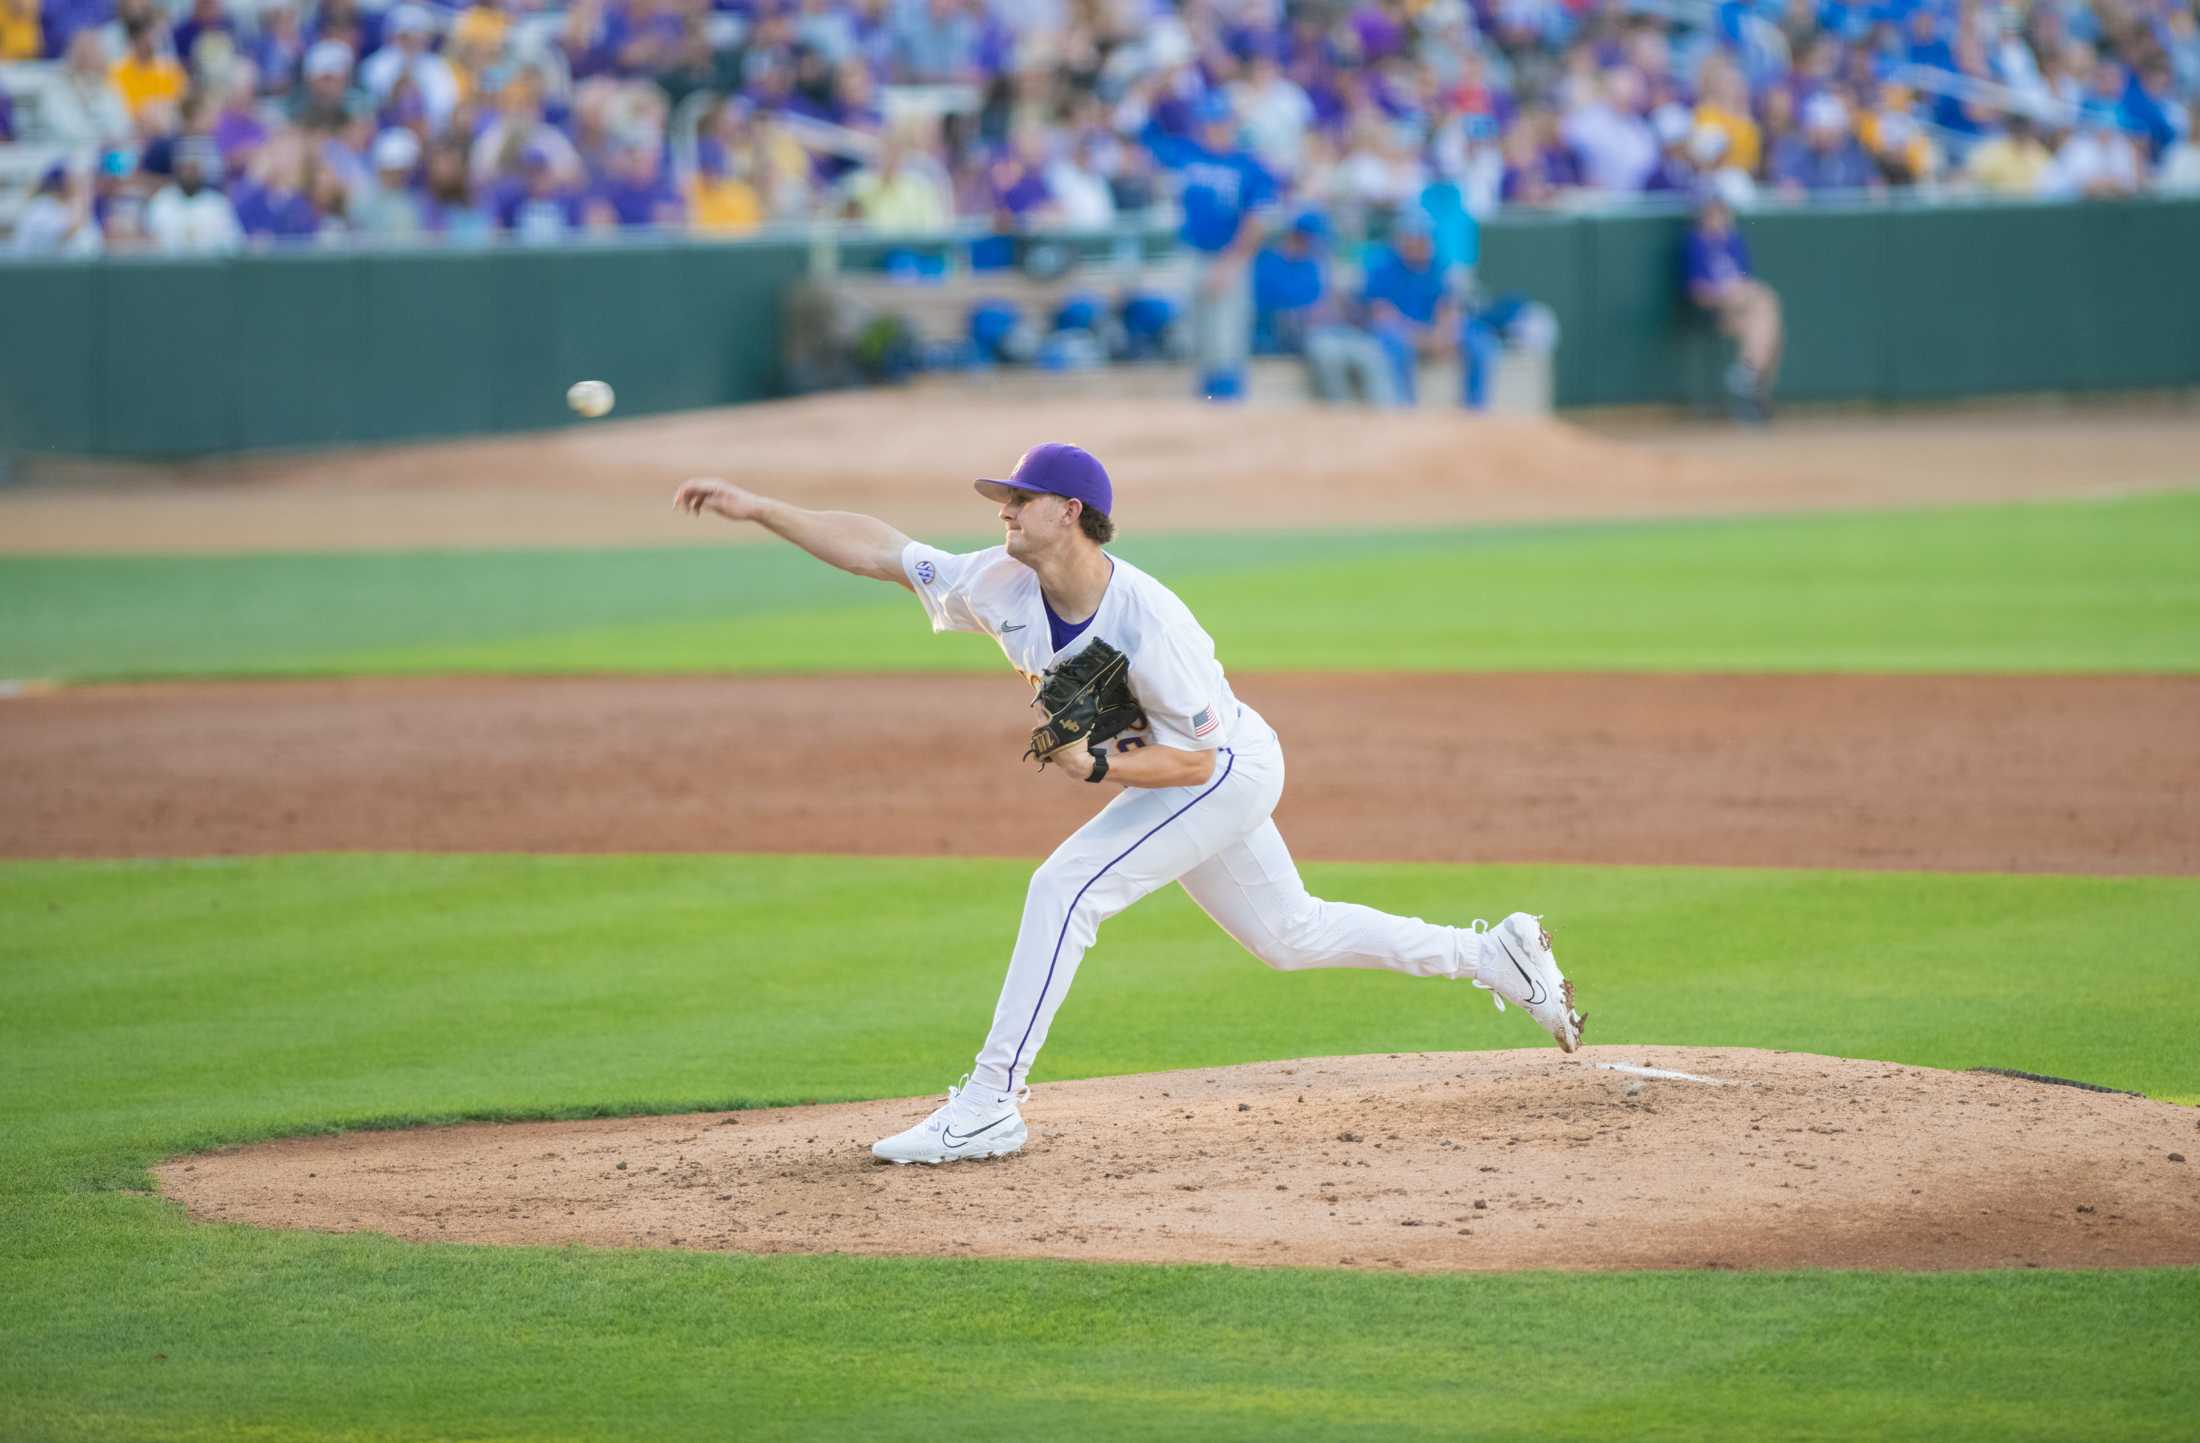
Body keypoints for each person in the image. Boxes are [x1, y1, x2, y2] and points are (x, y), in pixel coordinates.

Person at [672, 444, 1585, 1166]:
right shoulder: (997, 580)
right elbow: (879, 547)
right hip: (1190, 765)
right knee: (1290, 934)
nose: (1003, 510)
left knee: (1065, 888)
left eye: (1020, 499)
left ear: (1070, 514)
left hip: (1223, 765)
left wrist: (1099, 769)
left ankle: (990, 1104)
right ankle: (1491, 953)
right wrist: (760, 508)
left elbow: (1196, 762)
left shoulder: (1152, 623)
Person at [1172, 94, 1276, 400]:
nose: (1213, 129)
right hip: (1192, 252)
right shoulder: (1189, 155)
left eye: (1219, 123)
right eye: (1208, 123)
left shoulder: (1249, 166)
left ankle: (1229, 404)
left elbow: (1258, 220)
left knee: (1227, 337)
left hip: (1231, 256)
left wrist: (1231, 262)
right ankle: (1202, 405)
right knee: (1194, 334)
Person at [1684, 192, 1781, 420]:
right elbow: (1696, 292)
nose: (1719, 221)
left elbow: (1744, 279)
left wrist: (1737, 292)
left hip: (1741, 311)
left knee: (1766, 331)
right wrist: (1726, 293)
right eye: (1714, 216)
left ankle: (1748, 376)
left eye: (1722, 216)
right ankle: (1748, 377)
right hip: (1715, 311)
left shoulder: (1733, 241)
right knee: (1766, 301)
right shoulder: (1695, 245)